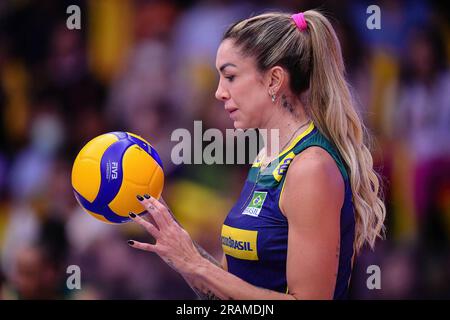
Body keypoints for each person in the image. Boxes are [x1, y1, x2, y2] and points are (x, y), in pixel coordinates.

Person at [127, 10, 386, 300]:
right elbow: (229, 293)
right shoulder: (266, 156)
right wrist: (180, 250)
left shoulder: (311, 167)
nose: (219, 93)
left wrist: (197, 265)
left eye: (230, 76)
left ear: (274, 79)